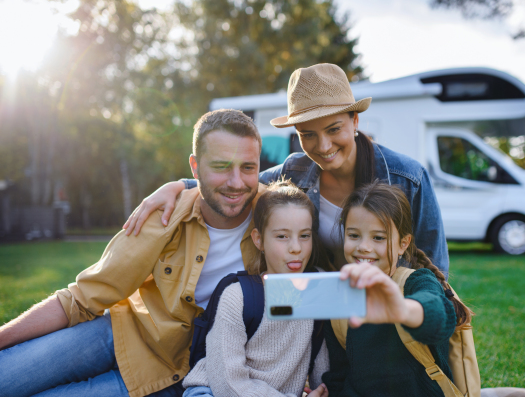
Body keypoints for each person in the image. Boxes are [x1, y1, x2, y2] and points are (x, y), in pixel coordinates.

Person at [0, 109, 264, 397]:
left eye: (248, 168)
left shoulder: (279, 220)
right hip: (121, 334)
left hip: (174, 375)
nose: (237, 182)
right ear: (195, 167)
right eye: (222, 166)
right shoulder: (163, 214)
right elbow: (81, 298)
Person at [123, 63, 450, 276]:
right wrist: (178, 185)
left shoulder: (408, 179)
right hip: (322, 315)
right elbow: (240, 185)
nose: (322, 146)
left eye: (333, 129)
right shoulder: (295, 171)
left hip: (390, 311)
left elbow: (435, 269)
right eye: (307, 134)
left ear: (355, 121)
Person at [322, 181, 473, 396]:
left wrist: (402, 309)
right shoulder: (339, 299)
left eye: (378, 238)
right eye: (354, 235)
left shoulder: (417, 282)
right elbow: (340, 374)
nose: (364, 246)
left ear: (403, 243)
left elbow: (439, 314)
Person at [182, 180, 329, 397]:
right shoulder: (237, 297)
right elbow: (227, 384)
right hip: (214, 391)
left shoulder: (318, 290)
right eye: (282, 236)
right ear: (258, 240)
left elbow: (323, 371)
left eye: (304, 236)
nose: (296, 248)